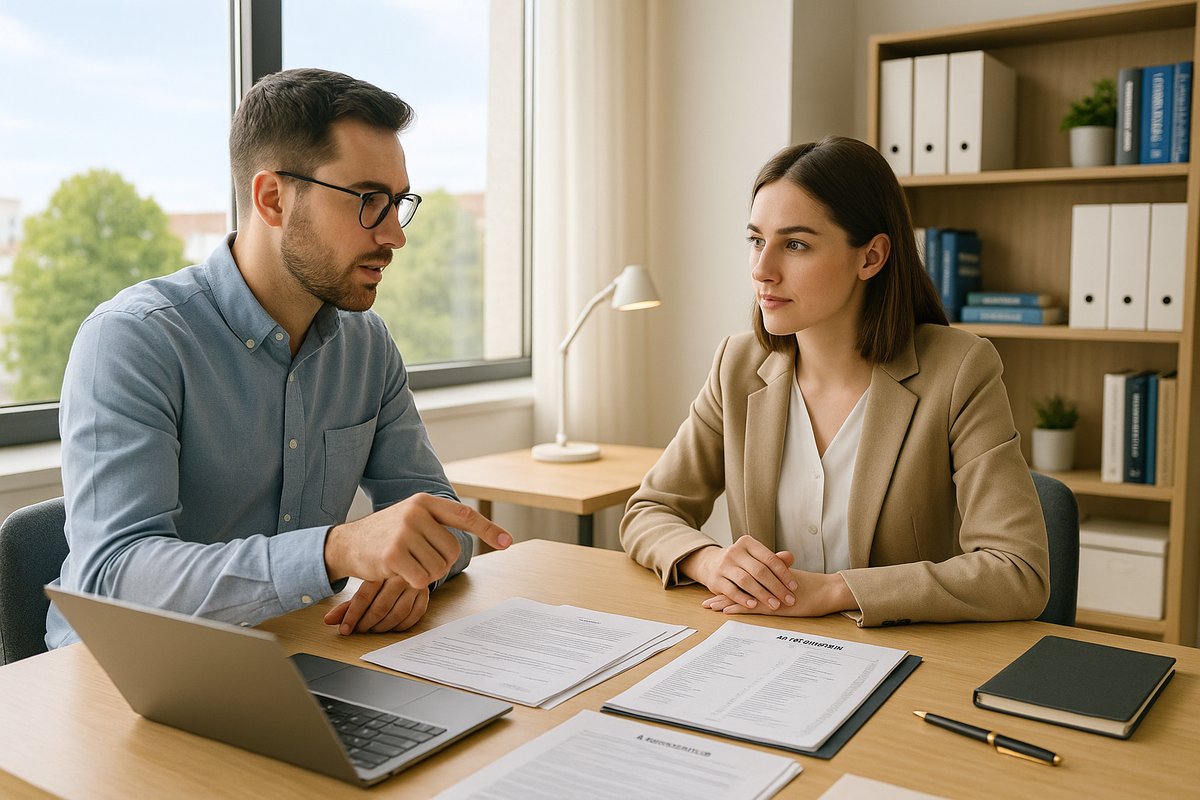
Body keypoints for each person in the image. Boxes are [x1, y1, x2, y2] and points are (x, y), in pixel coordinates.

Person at [46, 68, 511, 649]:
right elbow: (110, 581)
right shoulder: (134, 340)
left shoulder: (366, 346)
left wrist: (418, 566)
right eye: (369, 200)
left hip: (299, 652)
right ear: (272, 199)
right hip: (121, 680)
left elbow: (439, 511)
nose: (395, 235)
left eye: (397, 202)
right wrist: (336, 550)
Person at [620, 136, 1049, 627]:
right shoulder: (737, 365)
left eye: (796, 244)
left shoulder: (959, 370)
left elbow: (1018, 572)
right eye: (757, 240)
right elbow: (649, 511)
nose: (762, 270)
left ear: (871, 257)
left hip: (902, 659)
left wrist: (832, 591)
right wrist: (709, 561)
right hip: (759, 648)